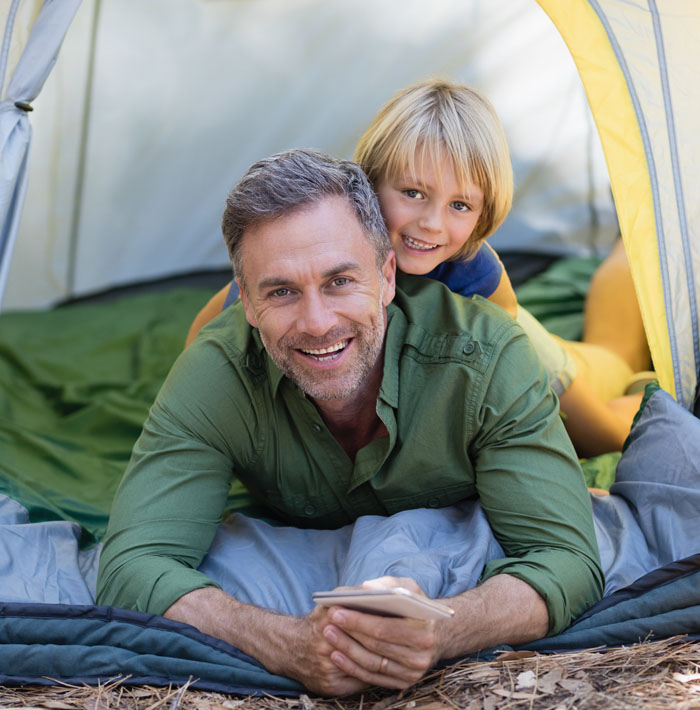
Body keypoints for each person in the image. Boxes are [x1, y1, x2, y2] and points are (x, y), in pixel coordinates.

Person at [97, 148, 603, 696]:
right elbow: (133, 564)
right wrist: (284, 642)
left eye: (340, 281)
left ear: (388, 276)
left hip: (571, 370)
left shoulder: (489, 358)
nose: (317, 323)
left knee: (611, 378)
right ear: (245, 301)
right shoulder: (215, 373)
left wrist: (443, 628)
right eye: (282, 291)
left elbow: (566, 559)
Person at [186, 81, 651, 458]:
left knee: (608, 420)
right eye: (412, 193)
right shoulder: (323, 247)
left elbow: (508, 344)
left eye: (460, 205)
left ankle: (636, 240)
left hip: (538, 356)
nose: (431, 223)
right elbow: (211, 328)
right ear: (371, 180)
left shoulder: (474, 269)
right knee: (610, 344)